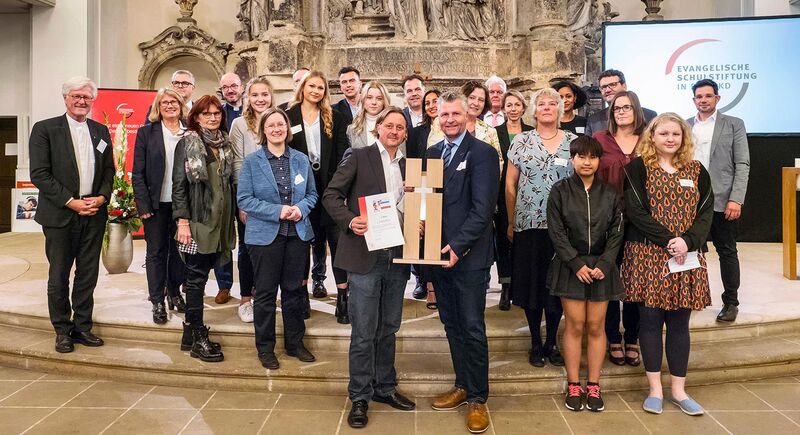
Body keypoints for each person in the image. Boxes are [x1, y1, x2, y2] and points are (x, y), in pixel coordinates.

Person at [324, 107, 418, 429]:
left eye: (400, 127)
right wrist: (351, 220)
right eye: (389, 125)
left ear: (405, 133)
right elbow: (331, 195)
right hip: (364, 255)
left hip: (396, 254)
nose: (394, 131)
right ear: (378, 128)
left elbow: (416, 206)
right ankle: (360, 396)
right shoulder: (359, 155)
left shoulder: (409, 166)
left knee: (389, 326)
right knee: (364, 330)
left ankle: (385, 387)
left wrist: (419, 221)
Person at [622, 113, 713, 416]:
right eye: (664, 134)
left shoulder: (698, 170)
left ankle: (679, 390)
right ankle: (655, 390)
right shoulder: (637, 168)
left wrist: (688, 241)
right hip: (649, 254)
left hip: (686, 257)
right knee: (649, 322)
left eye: (676, 134)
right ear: (652, 137)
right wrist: (669, 240)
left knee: (679, 324)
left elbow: (705, 213)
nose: (670, 139)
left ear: (684, 138)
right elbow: (635, 210)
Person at [427, 92, 499, 434]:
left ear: (468, 115)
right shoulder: (431, 154)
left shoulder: (483, 153)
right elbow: (425, 205)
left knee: (472, 327)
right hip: (437, 256)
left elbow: (483, 209)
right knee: (451, 324)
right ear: (437, 118)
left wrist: (456, 246)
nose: (450, 119)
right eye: (445, 115)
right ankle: (462, 385)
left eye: (456, 113)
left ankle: (478, 399)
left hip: (468, 257)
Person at [29, 76, 114, 353]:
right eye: (76, 96)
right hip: (60, 215)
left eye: (86, 97)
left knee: (88, 274)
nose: (81, 101)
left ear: (93, 101)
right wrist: (71, 201)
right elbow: (39, 174)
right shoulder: (45, 129)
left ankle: (82, 327)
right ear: (65, 98)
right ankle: (62, 330)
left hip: (94, 213)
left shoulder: (100, 131)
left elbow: (108, 172)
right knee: (59, 274)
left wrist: (101, 197)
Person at [547, 136, 624, 412]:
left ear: (599, 160)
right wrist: (575, 263)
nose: (586, 161)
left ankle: (593, 385)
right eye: (581, 156)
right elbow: (555, 231)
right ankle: (573, 384)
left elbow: (617, 232)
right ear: (573, 159)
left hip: (602, 266)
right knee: (575, 324)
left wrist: (604, 264)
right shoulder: (560, 190)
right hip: (572, 266)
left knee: (596, 326)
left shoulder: (611, 193)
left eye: (592, 157)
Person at [238, 107, 318, 369]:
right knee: (265, 294)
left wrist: (301, 209)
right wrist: (278, 211)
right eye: (271, 125)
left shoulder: (300, 159)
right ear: (263, 130)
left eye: (280, 125)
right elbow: (245, 200)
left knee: (294, 291)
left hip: (297, 235)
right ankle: (265, 348)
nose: (276, 129)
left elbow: (312, 195)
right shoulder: (252, 162)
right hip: (264, 238)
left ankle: (295, 344)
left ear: (287, 129)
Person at [506, 88, 577, 368]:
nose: (547, 107)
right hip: (528, 225)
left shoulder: (573, 142)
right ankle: (535, 341)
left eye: (552, 104)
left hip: (563, 229)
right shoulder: (522, 141)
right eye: (541, 104)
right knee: (532, 287)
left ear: (560, 110)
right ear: (533, 111)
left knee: (556, 289)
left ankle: (552, 342)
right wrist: (512, 220)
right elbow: (510, 184)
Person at [172, 95, 236, 363]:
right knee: (196, 279)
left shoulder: (224, 143)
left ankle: (189, 333)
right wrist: (183, 222)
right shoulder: (187, 143)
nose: (212, 118)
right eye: (206, 114)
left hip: (220, 223)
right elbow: (179, 186)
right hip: (197, 222)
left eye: (217, 114)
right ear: (196, 117)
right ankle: (197, 336)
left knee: (205, 272)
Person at [285, 70, 351, 322]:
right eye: (311, 86)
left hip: (330, 187)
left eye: (320, 88)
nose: (315, 91)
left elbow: (345, 155)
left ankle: (343, 297)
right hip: (299, 190)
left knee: (337, 243)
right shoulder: (288, 114)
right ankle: (302, 294)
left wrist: (340, 189)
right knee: (301, 244)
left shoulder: (335, 116)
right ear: (302, 87)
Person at [686, 78, 750, 323]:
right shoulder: (684, 125)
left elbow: (742, 164)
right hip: (690, 201)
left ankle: (731, 302)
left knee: (726, 251)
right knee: (689, 250)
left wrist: (737, 199)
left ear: (717, 98)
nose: (703, 100)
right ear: (694, 100)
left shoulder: (734, 124)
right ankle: (691, 296)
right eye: (699, 97)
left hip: (724, 201)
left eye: (708, 96)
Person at [595, 90, 646, 367]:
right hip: (608, 220)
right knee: (611, 278)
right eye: (617, 108)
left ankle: (633, 337)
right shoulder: (600, 140)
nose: (622, 112)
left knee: (635, 280)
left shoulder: (649, 140)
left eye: (627, 107)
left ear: (636, 110)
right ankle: (613, 335)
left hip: (641, 223)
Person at [132, 88, 189, 324]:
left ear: (181, 104)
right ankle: (157, 300)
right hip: (155, 205)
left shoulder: (190, 133)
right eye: (165, 102)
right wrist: (142, 203)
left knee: (179, 252)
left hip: (182, 205)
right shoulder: (147, 133)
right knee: (156, 252)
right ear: (158, 106)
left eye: (174, 101)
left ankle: (174, 292)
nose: (169, 105)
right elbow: (138, 173)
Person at [229, 75, 275, 322]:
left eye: (264, 94)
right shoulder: (239, 124)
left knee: (270, 250)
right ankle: (246, 298)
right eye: (255, 95)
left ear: (271, 96)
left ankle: (264, 295)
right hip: (249, 197)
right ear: (247, 98)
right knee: (247, 250)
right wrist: (242, 201)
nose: (260, 99)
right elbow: (237, 162)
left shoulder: (277, 120)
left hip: (275, 200)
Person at [494, 90, 532, 311]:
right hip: (502, 192)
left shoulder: (531, 132)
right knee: (504, 240)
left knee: (523, 240)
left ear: (523, 108)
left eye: (517, 105)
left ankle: (521, 286)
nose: (513, 109)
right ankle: (505, 286)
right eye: (509, 105)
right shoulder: (495, 132)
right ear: (503, 108)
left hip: (527, 192)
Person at [427, 81, 503, 169]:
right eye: (472, 97)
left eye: (481, 100)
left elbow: (498, 164)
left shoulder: (490, 131)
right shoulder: (440, 123)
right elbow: (433, 155)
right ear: (463, 99)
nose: (476, 103)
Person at [584, 69, 657, 138]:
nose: (608, 90)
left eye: (613, 84)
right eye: (603, 87)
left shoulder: (649, 115)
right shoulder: (594, 120)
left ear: (624, 86)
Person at [346, 81, 391, 149]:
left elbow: (401, 157)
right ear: (363, 99)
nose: (374, 102)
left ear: (384, 101)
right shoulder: (352, 129)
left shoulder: (395, 127)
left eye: (379, 98)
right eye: (369, 97)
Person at [406, 89, 440, 160]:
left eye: (435, 102)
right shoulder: (415, 133)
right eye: (427, 103)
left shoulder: (453, 129)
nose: (431, 106)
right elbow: (412, 161)